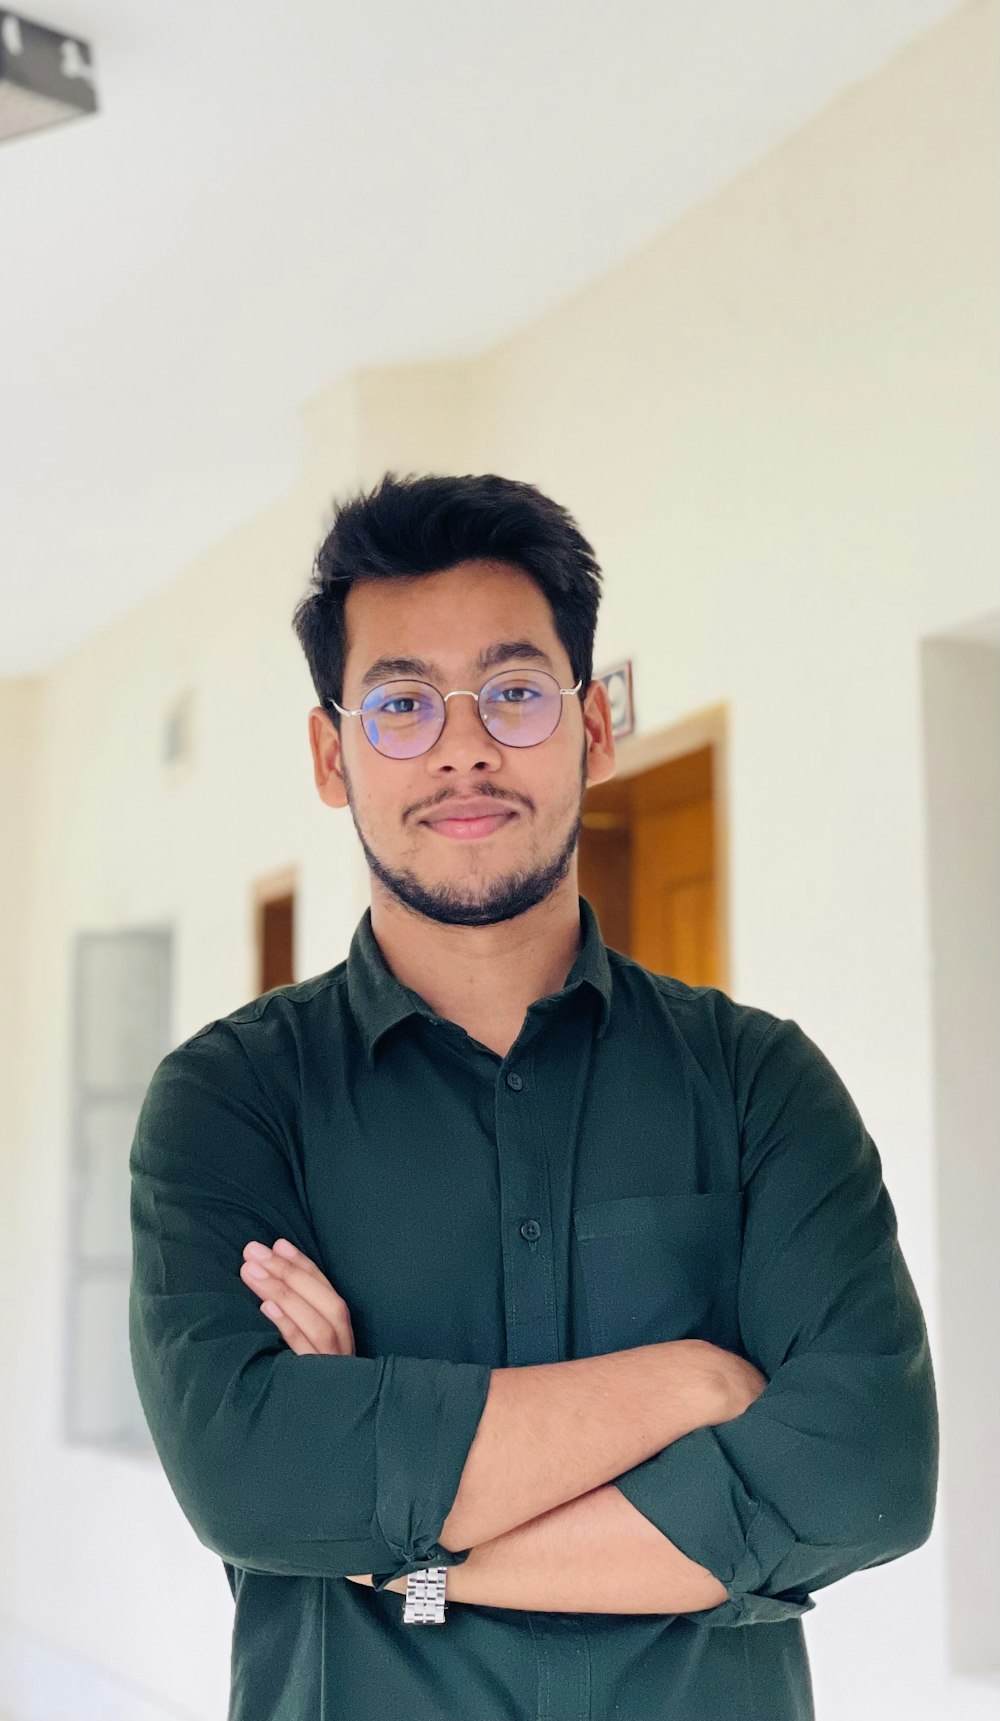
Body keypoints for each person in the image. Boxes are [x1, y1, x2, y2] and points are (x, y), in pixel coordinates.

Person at [129, 470, 938, 1721]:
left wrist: (397, 1549)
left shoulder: (759, 1082)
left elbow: (864, 1473)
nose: (463, 746)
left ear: (594, 724)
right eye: (402, 703)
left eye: (513, 692)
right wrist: (688, 1384)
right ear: (331, 753)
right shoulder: (231, 1101)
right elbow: (252, 1475)